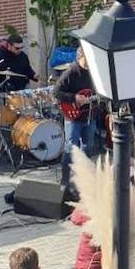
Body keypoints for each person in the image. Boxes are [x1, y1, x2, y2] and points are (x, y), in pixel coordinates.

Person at [55, 46, 99, 189]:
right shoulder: (71, 72)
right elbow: (56, 92)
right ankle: (65, 180)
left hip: (90, 114)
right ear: (80, 57)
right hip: (73, 117)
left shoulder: (95, 71)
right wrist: (74, 98)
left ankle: (84, 179)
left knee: (88, 147)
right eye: (87, 59)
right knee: (70, 148)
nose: (89, 62)